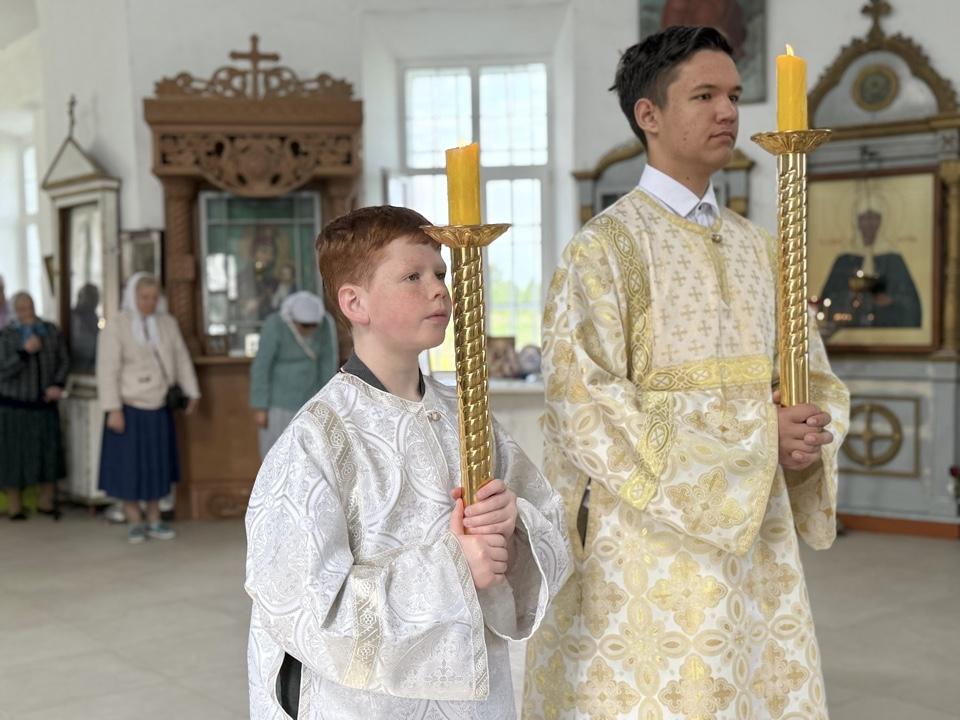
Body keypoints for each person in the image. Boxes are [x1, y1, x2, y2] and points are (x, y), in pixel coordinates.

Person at [522, 27, 851, 719]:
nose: (728, 111)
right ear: (649, 114)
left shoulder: (763, 249)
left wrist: (804, 434)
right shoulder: (601, 250)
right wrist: (758, 438)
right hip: (650, 543)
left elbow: (812, 378)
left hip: (757, 534)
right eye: (704, 96)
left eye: (734, 94)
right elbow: (585, 408)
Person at [244, 205, 571, 720]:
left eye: (440, 273)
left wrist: (511, 525)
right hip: (366, 706)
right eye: (413, 277)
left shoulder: (467, 416)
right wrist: (454, 568)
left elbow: (546, 526)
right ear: (355, 302)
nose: (439, 289)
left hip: (474, 698)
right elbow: (304, 610)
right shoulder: (316, 440)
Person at [96, 273, 200, 543]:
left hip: (158, 404)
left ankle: (154, 518)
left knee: (156, 465)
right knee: (129, 467)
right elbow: (107, 369)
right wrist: (112, 408)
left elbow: (181, 358)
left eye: (154, 297)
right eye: (144, 297)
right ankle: (134, 520)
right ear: (133, 296)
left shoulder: (167, 323)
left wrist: (192, 391)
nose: (149, 303)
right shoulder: (117, 325)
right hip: (129, 406)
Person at [0, 292, 68, 520]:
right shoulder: (7, 335)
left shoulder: (50, 331)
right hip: (15, 405)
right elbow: (3, 370)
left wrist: (57, 384)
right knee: (14, 457)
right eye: (21, 309)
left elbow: (63, 360)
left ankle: (45, 501)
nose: (27, 312)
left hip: (44, 403)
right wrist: (24, 352)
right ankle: (15, 506)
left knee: (47, 455)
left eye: (29, 306)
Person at [249, 290, 338, 458]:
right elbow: (261, 367)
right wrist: (260, 407)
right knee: (277, 455)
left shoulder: (326, 324)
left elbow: (328, 365)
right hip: (278, 403)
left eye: (313, 325)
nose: (309, 329)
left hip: (311, 401)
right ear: (293, 319)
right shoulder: (275, 325)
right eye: (304, 325)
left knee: (311, 455)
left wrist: (327, 403)